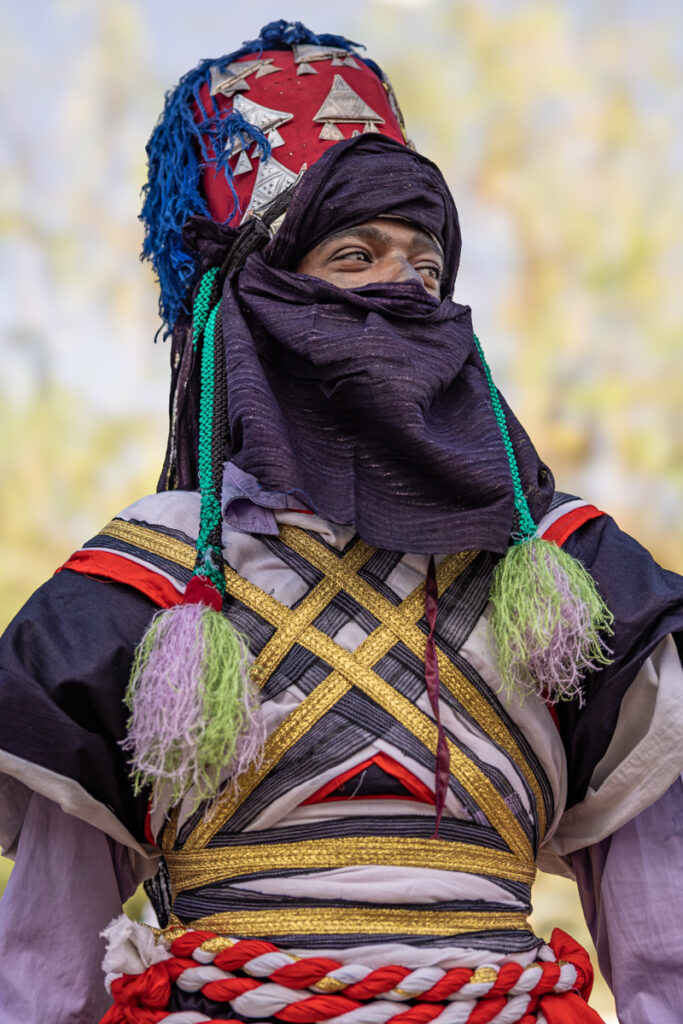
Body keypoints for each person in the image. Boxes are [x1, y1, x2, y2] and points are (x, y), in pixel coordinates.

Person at [0, 21, 681, 1024]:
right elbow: (43, 971)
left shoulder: (572, 573)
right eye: (353, 256)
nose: (399, 296)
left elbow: (665, 942)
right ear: (253, 301)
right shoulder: (137, 585)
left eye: (422, 267)